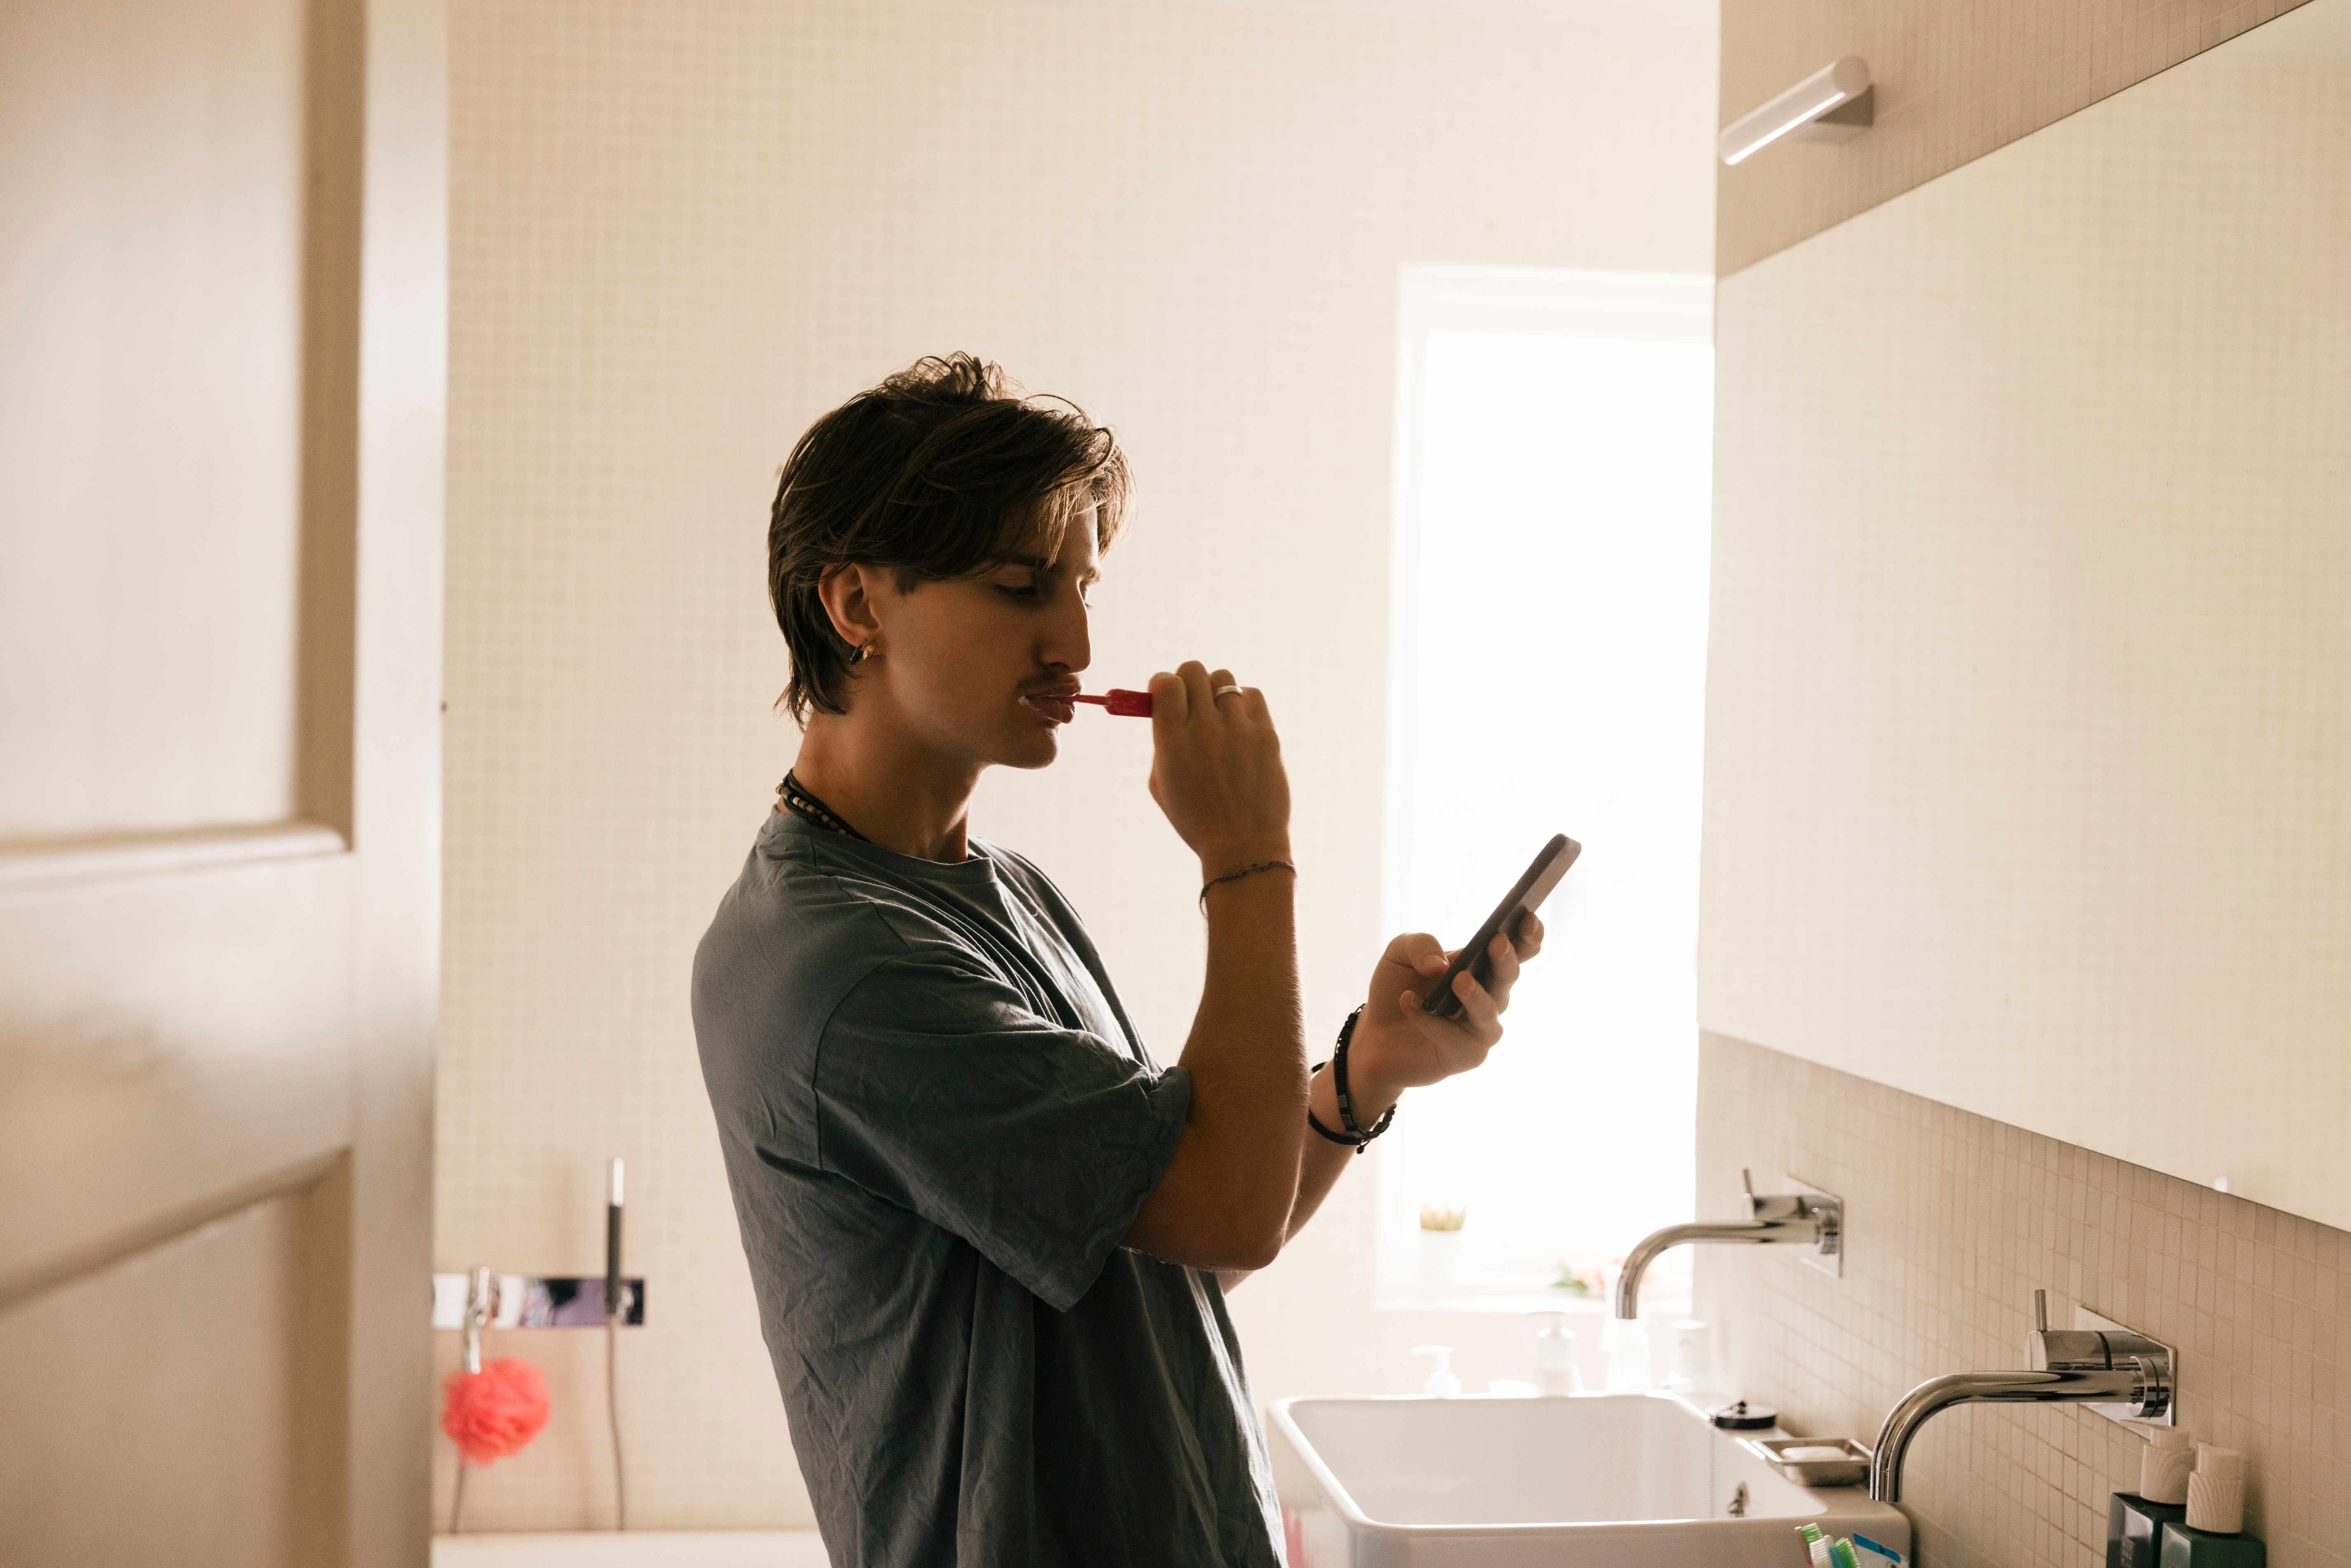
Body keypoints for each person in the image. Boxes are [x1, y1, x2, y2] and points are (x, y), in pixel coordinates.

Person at [692, 353, 1543, 1568]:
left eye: (1082, 587)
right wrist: (1248, 855)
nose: (1077, 641)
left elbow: (1169, 1236)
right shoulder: (843, 968)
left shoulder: (1000, 893)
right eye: (1021, 586)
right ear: (856, 605)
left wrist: (1364, 1077)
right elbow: (1230, 1215)